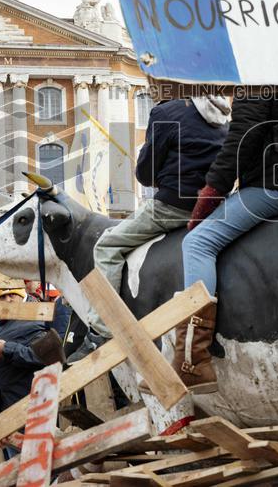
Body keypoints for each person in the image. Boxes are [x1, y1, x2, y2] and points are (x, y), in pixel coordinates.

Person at [170, 88, 278, 393]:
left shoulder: (258, 78)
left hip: (277, 184)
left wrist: (210, 194)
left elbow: (241, 142)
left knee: (197, 243)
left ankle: (192, 360)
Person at [70, 95, 230, 362]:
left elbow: (145, 173)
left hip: (172, 206)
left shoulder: (167, 111)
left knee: (108, 246)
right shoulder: (222, 114)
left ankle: (100, 332)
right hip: (212, 207)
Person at [0, 288, 47, 417]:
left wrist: (7, 350)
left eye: (12, 295)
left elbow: (43, 355)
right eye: (2, 297)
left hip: (14, 402)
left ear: (21, 297)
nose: (8, 300)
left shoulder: (34, 319)